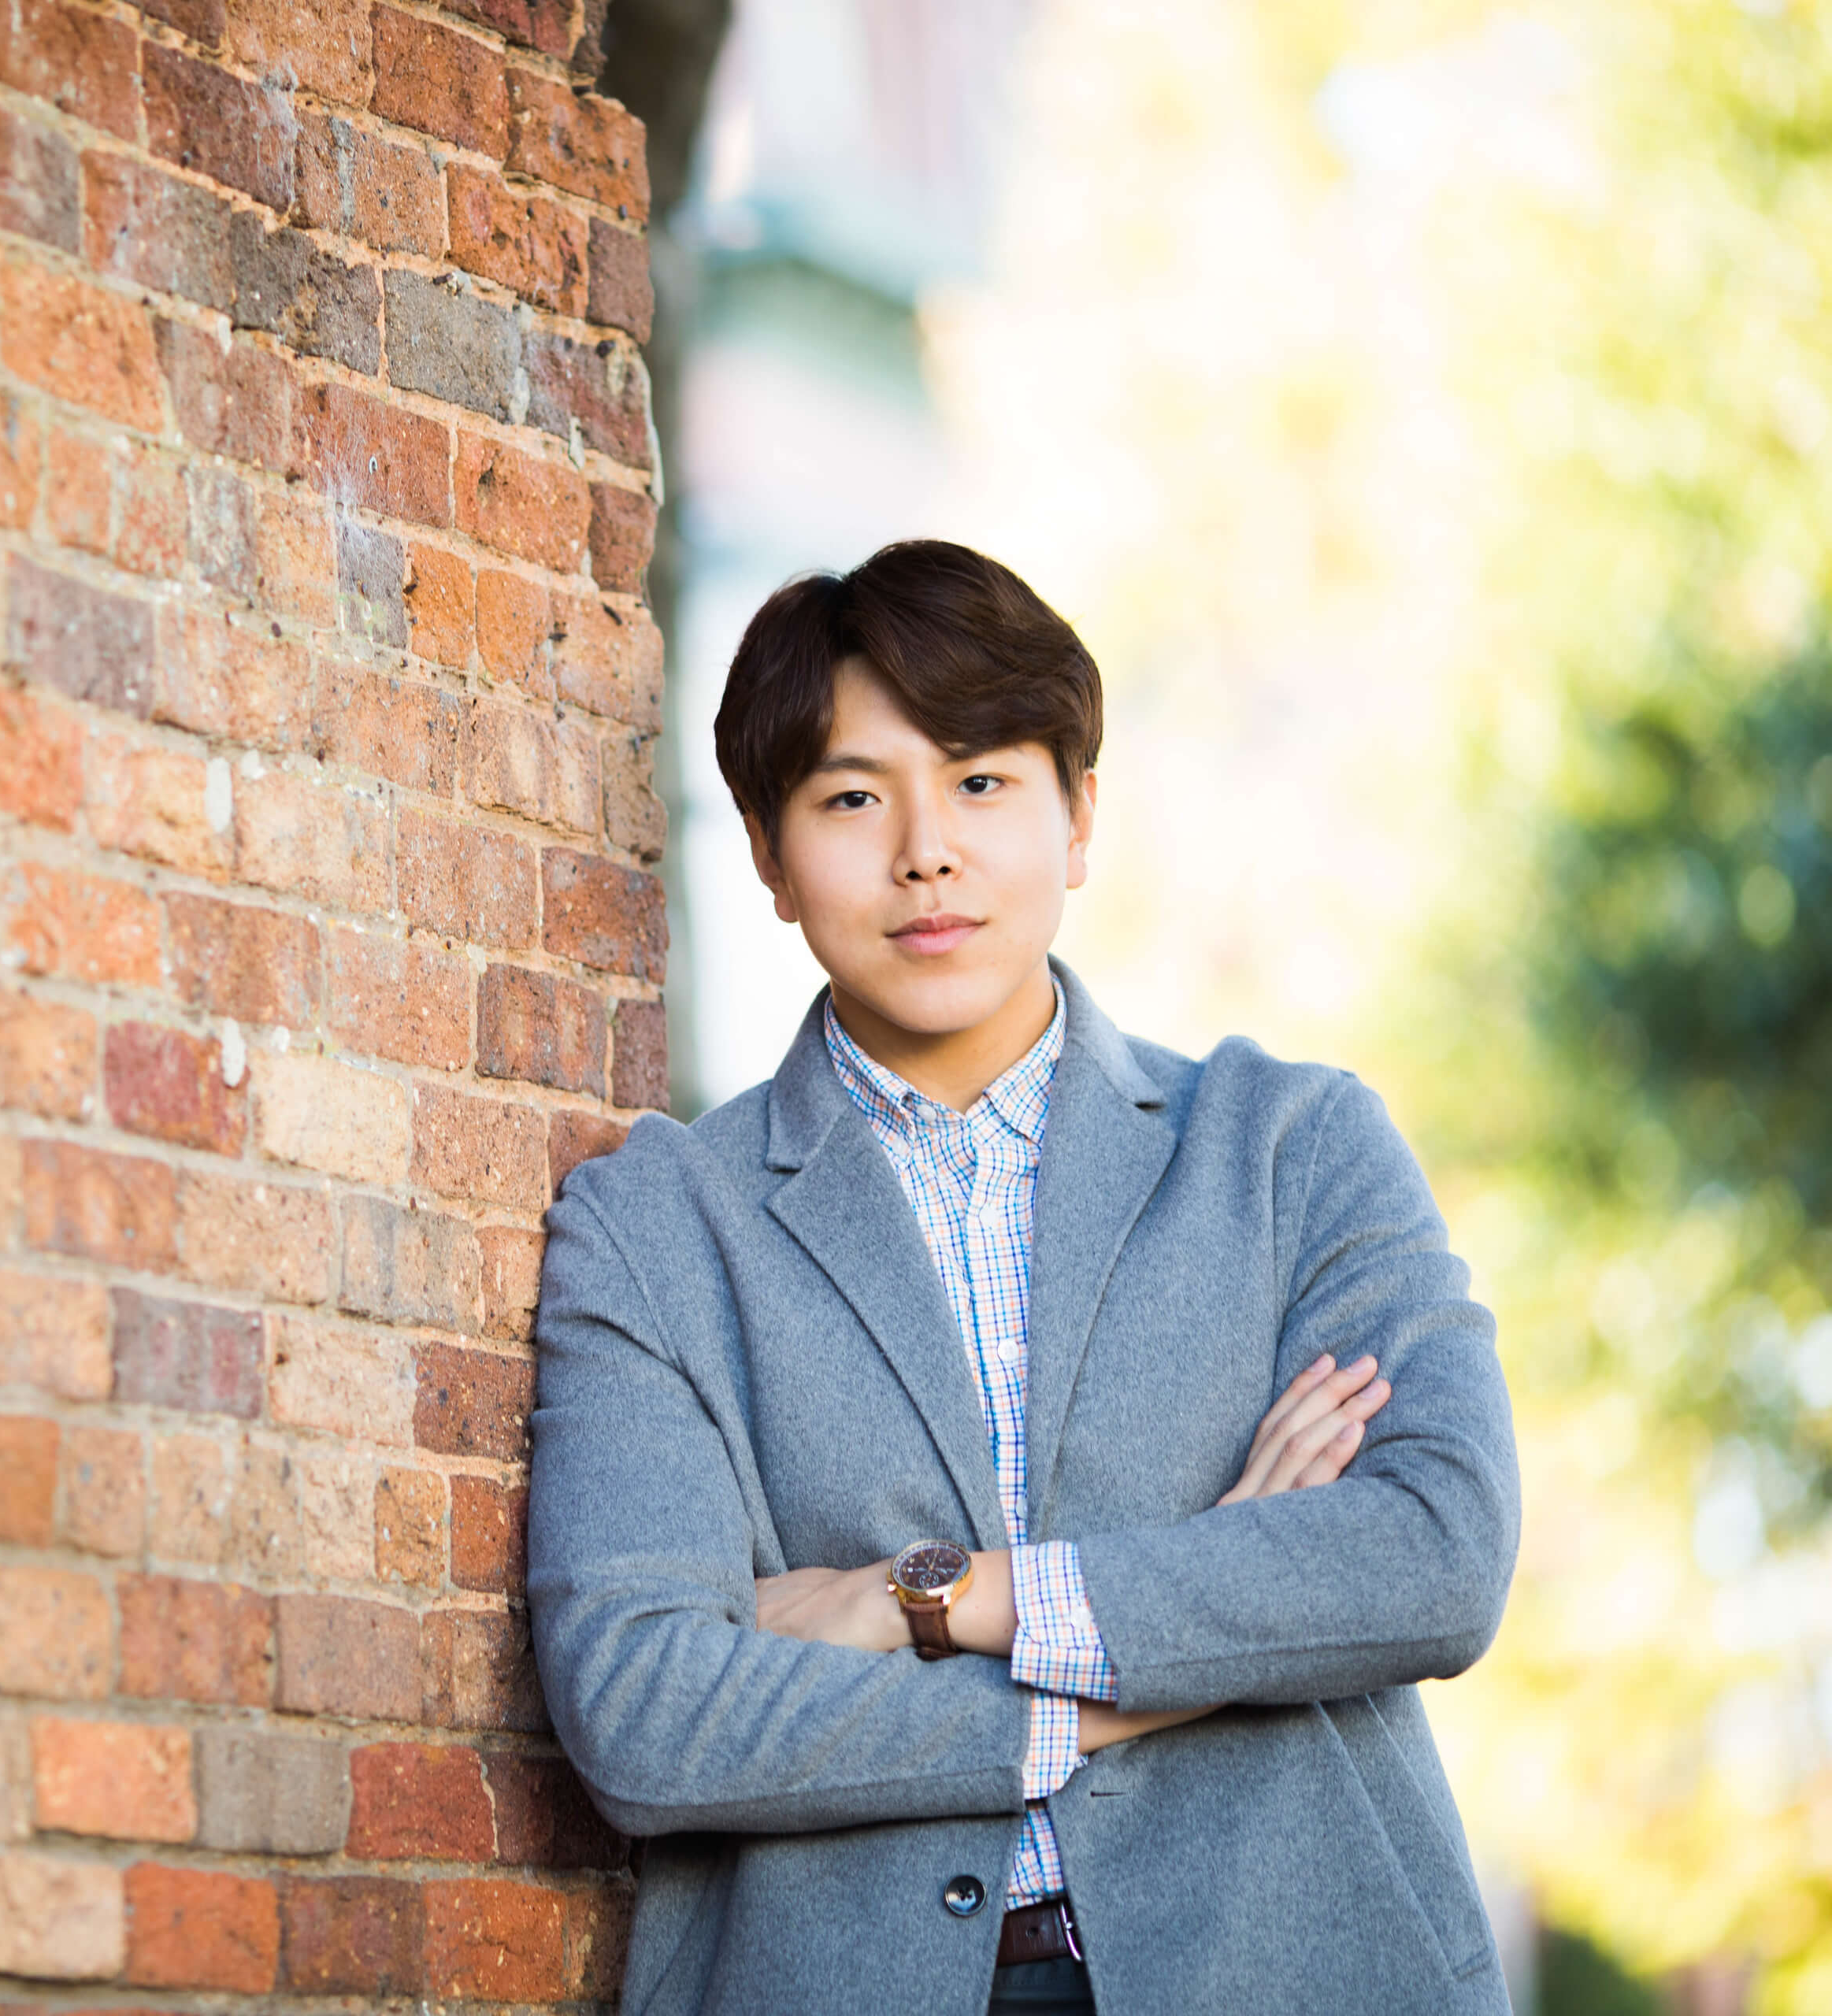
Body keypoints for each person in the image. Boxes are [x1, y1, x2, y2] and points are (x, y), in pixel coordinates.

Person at [524, 542, 1519, 2015]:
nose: (926, 848)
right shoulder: (655, 1230)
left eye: (982, 780)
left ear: (1079, 817)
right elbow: (649, 1715)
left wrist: (928, 1599)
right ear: (768, 854)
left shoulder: (1290, 1146)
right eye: (854, 797)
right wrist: (1195, 1624)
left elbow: (1432, 1552)